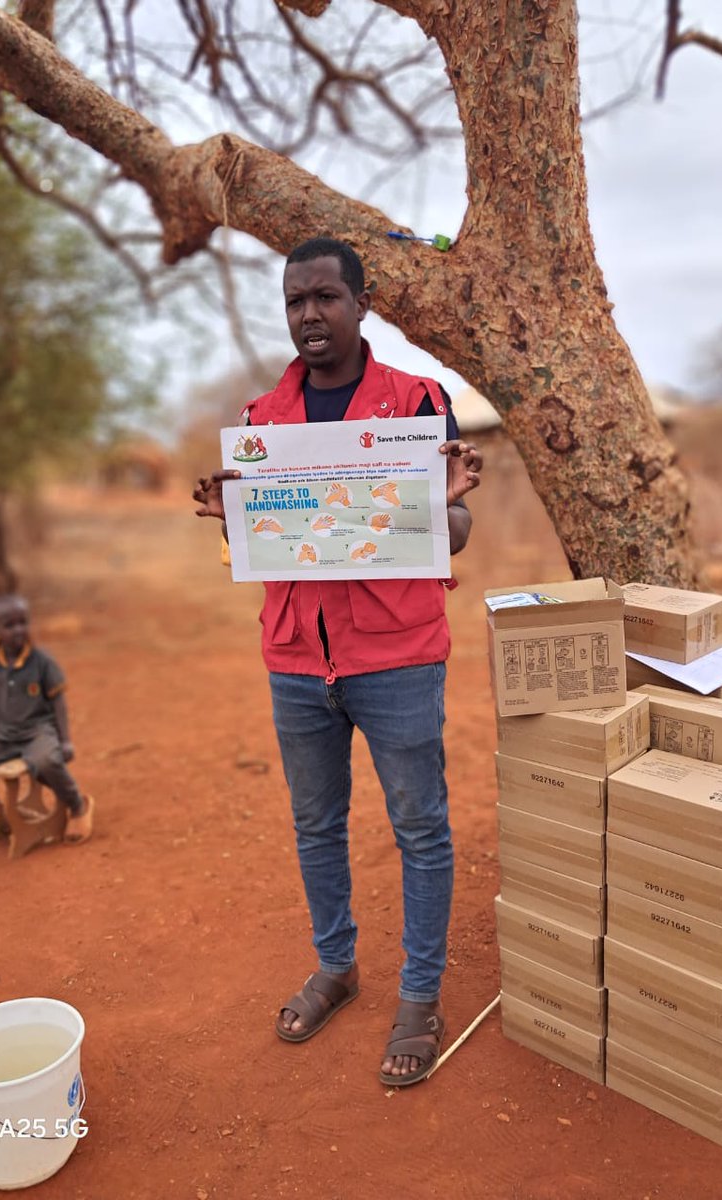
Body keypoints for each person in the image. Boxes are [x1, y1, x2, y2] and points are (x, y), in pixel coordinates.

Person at [193, 237, 482, 1087]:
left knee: (419, 826)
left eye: (324, 297)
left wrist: (447, 505)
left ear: (362, 305)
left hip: (396, 655)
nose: (308, 315)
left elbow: (454, 534)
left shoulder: (418, 401)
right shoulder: (260, 424)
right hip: (295, 657)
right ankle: (338, 968)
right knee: (315, 824)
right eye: (294, 302)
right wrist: (226, 515)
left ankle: (420, 996)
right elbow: (272, 540)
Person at [0, 594, 94, 852]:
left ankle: (77, 805)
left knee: (46, 762)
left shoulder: (43, 661)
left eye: (23, 622)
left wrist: (65, 740)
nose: (18, 629)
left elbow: (58, 703)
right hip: (4, 735)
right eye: (9, 625)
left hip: (39, 730)